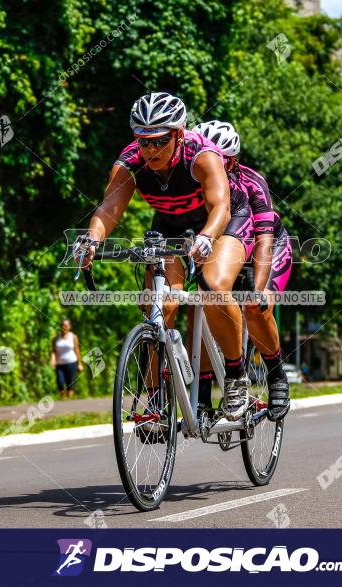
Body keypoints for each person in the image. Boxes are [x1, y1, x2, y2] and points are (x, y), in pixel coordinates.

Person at [74, 92, 254, 420]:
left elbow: (220, 207)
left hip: (224, 220)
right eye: (144, 142)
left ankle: (237, 377)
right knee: (156, 306)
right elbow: (110, 208)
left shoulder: (202, 155)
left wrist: (206, 238)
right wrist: (92, 240)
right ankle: (158, 401)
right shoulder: (130, 162)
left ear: (179, 134)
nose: (150, 150)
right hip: (171, 224)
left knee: (213, 287)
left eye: (159, 141)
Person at [191, 120, 291, 421]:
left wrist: (258, 289)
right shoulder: (194, 181)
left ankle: (276, 374)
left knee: (255, 306)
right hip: (223, 245)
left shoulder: (251, 182)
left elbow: (263, 240)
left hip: (266, 244)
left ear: (231, 161)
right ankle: (204, 395)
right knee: (203, 302)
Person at [51, 319, 83, 399]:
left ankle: (69, 400)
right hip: (60, 364)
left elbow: (77, 350)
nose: (63, 327)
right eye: (62, 325)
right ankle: (62, 399)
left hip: (71, 362)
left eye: (66, 325)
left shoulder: (73, 337)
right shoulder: (56, 338)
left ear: (69, 327)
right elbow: (53, 351)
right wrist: (53, 359)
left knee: (70, 383)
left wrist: (79, 363)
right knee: (60, 382)